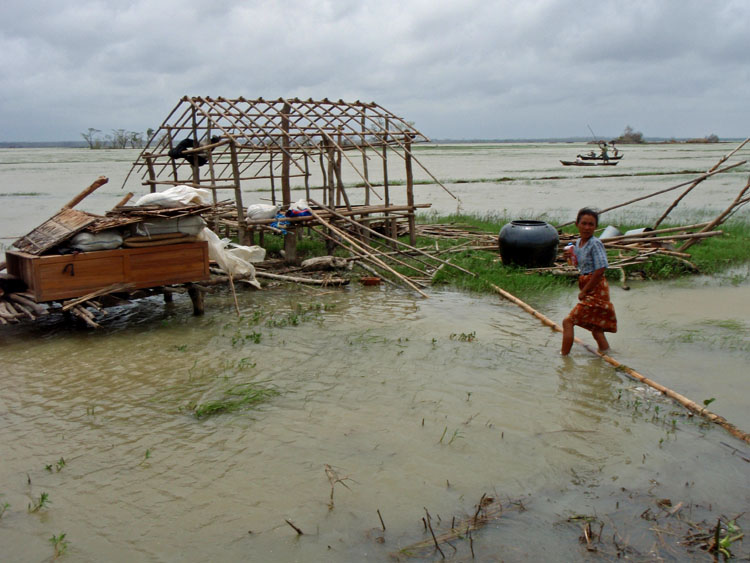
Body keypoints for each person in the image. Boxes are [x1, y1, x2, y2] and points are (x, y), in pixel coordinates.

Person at [561, 208, 617, 355]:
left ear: (595, 227)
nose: (587, 227)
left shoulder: (595, 243)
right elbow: (578, 265)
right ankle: (607, 355)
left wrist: (585, 291)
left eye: (591, 224)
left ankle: (563, 357)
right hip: (588, 284)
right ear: (577, 224)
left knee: (568, 321)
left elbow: (600, 270)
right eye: (584, 223)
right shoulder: (579, 242)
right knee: (596, 328)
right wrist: (568, 256)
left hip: (596, 287)